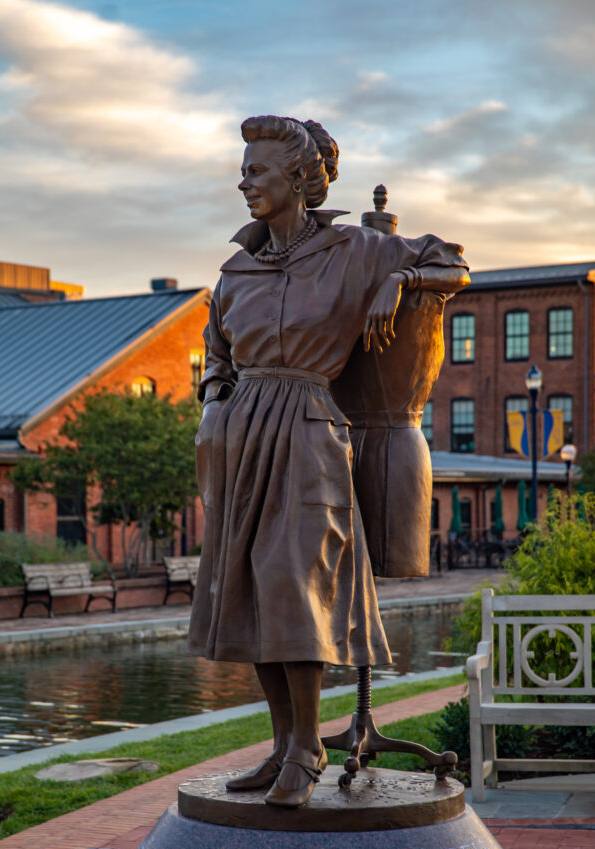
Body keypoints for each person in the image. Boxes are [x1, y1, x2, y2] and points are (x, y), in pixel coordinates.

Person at [188, 115, 469, 808]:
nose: (243, 181)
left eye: (256, 171)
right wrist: (214, 403)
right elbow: (214, 355)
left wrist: (397, 277)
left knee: (293, 584)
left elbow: (453, 264)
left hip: (310, 429)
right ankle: (283, 746)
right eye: (243, 169)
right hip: (238, 438)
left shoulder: (351, 250)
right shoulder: (235, 269)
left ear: (297, 178)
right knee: (249, 590)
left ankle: (311, 745)